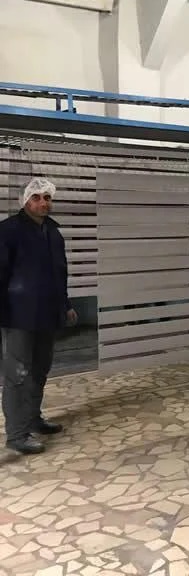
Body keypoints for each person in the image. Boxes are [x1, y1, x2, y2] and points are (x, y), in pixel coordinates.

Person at [0, 178, 77, 455]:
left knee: (40, 370)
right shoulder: (8, 231)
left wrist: (65, 305)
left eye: (47, 197)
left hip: (46, 314)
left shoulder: (53, 233)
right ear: (25, 200)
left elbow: (60, 273)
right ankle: (17, 434)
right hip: (18, 315)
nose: (43, 202)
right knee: (18, 375)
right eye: (37, 197)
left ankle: (33, 418)